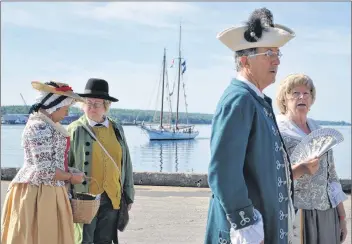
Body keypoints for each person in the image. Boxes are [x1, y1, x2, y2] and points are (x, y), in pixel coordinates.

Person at [204, 8, 297, 244]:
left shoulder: (253, 99)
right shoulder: (240, 99)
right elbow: (223, 170)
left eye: (278, 53)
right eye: (269, 53)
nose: (276, 60)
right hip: (247, 232)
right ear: (244, 60)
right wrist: (244, 221)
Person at [1, 81, 86, 244]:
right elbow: (44, 170)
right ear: (53, 106)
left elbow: (51, 161)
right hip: (38, 192)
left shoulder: (48, 125)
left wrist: (70, 170)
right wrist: (70, 177)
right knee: (40, 236)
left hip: (51, 189)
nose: (66, 113)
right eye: (65, 108)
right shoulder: (39, 127)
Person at [276, 73, 348, 243]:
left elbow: (332, 176)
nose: (302, 97)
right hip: (296, 213)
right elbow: (271, 177)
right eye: (295, 93)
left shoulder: (318, 129)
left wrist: (342, 216)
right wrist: (301, 169)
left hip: (327, 213)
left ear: (311, 99)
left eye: (306, 93)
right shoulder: (277, 131)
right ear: (284, 99)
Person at [68, 78, 135, 244]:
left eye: (96, 104)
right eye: (88, 103)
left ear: (106, 106)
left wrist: (128, 194)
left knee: (105, 240)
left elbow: (126, 162)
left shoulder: (117, 128)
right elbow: (66, 165)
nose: (91, 107)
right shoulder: (74, 129)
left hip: (112, 196)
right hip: (83, 197)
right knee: (83, 240)